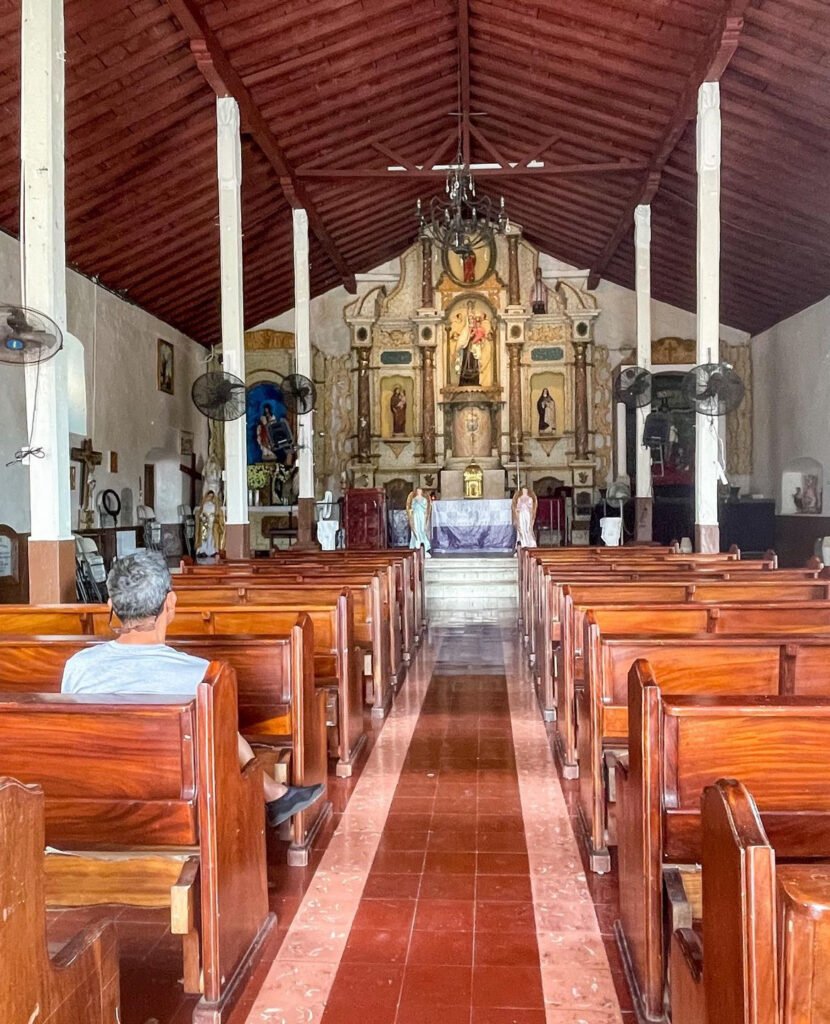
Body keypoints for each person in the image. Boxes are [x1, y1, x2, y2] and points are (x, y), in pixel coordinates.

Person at [61, 551, 324, 828]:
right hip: (176, 814)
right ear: (170, 603)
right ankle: (273, 795)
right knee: (224, 733)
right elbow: (221, 750)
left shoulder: (77, 667)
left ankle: (275, 794)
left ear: (111, 605)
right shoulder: (202, 674)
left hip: (88, 807)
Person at [407, 487, 432, 557]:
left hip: (421, 515)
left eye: (420, 491)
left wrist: (420, 504)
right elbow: (411, 507)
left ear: (421, 492)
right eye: (417, 491)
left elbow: (425, 507)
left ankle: (424, 545)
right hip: (415, 515)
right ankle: (416, 543)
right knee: (416, 528)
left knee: (422, 529)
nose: (418, 492)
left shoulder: (424, 499)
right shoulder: (414, 499)